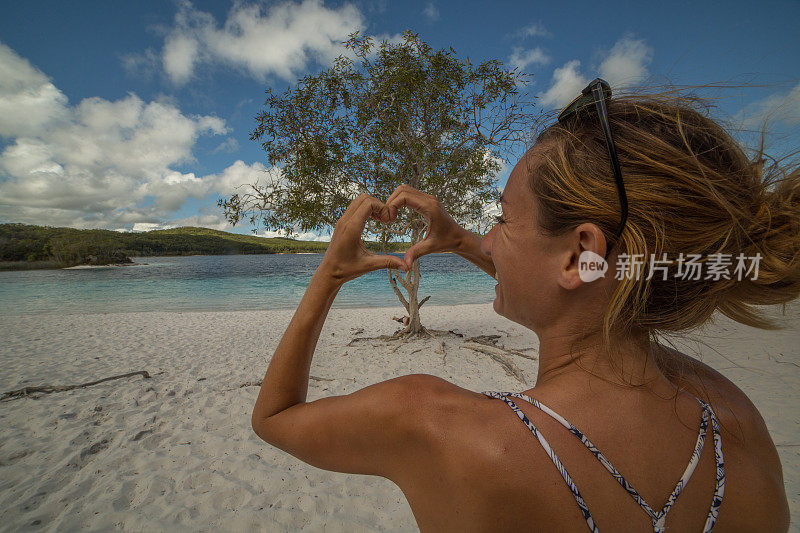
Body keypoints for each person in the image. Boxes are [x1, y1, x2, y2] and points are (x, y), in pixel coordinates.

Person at [251, 80, 798, 531]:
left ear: (581, 250)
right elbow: (605, 289)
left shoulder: (431, 423)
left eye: (505, 220)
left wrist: (331, 272)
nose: (489, 240)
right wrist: (462, 239)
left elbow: (275, 418)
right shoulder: (738, 427)